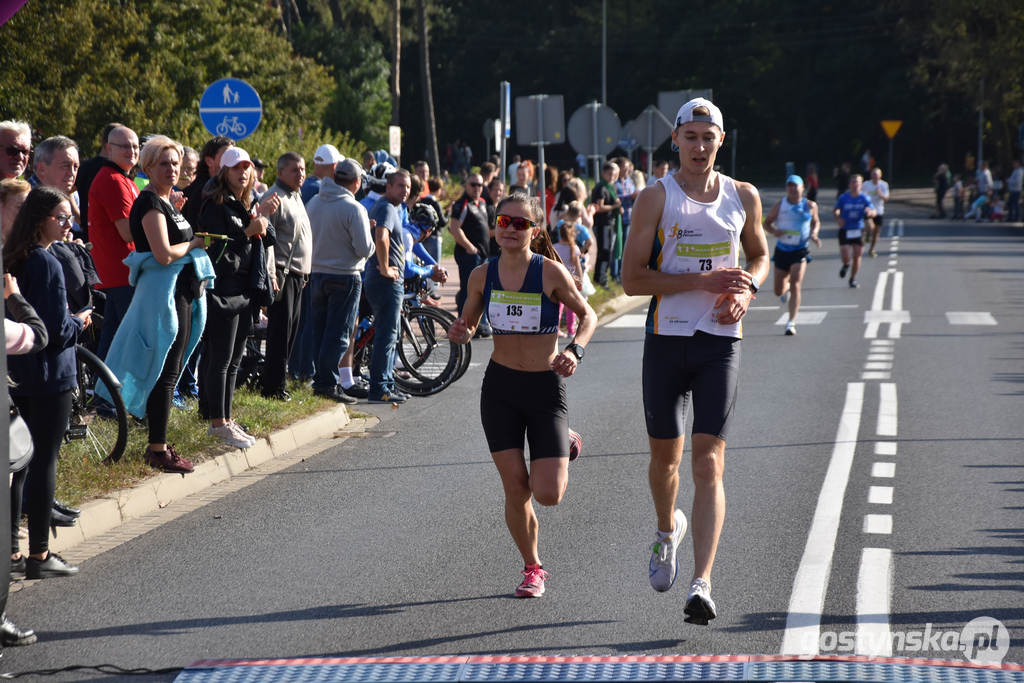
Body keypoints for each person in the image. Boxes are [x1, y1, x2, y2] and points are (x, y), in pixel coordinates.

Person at [621, 97, 769, 625]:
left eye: (709, 138)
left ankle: (702, 583)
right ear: (676, 140)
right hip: (666, 338)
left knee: (708, 461)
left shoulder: (742, 195)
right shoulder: (654, 199)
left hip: (720, 342)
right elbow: (632, 279)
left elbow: (758, 254)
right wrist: (700, 282)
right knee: (665, 461)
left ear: (720, 141)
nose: (700, 147)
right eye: (691, 137)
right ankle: (667, 531)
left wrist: (747, 290)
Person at [447, 192, 595, 598]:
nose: (510, 229)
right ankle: (533, 568)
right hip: (500, 389)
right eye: (503, 222)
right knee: (516, 487)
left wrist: (574, 350)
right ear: (495, 227)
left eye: (519, 223)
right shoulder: (482, 274)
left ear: (535, 230)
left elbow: (588, 315)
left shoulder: (548, 273)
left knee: (548, 494)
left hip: (544, 388)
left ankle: (565, 440)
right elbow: (470, 322)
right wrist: (460, 331)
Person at [99, 135, 212, 473]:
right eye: (163, 163)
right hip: (163, 295)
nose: (171, 169)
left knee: (172, 369)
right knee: (163, 371)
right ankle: (157, 448)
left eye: (175, 163)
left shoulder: (165, 202)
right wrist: (193, 244)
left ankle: (158, 442)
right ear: (147, 167)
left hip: (181, 293)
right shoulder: (149, 202)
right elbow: (162, 255)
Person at [4, 186, 91, 579]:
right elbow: (55, 331)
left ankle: (12, 553)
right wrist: (80, 322)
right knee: (43, 463)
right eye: (61, 217)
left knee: (20, 466)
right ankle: (40, 554)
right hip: (50, 375)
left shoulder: (14, 256)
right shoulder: (47, 262)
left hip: (19, 374)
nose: (67, 223)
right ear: (41, 219)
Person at [197, 147, 278, 448]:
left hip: (245, 292)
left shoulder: (245, 203)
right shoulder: (216, 205)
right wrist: (248, 231)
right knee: (220, 359)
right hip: (225, 291)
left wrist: (261, 219)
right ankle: (217, 423)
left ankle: (227, 419)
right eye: (235, 168)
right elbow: (220, 255)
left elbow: (268, 238)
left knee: (235, 360)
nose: (242, 173)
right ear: (223, 172)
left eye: (246, 167)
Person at [306, 158, 373, 403]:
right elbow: (364, 248)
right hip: (345, 275)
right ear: (356, 183)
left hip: (317, 273)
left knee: (321, 331)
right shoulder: (353, 208)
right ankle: (327, 384)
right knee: (339, 334)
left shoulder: (314, 202)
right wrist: (371, 235)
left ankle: (321, 380)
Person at [260, 152, 312, 401]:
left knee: (290, 331)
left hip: (296, 274)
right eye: (294, 170)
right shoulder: (274, 197)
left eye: (302, 169)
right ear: (280, 173)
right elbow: (267, 242)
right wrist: (272, 275)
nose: (300, 174)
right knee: (280, 333)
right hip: (281, 273)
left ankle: (279, 380)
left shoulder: (295, 195)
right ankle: (272, 387)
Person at [87, 124, 140, 361]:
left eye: (136, 146)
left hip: (121, 271)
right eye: (125, 146)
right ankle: (107, 393)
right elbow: (128, 232)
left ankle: (102, 391)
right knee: (123, 336)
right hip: (121, 272)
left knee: (114, 333)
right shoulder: (113, 180)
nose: (132, 151)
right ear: (109, 149)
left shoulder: (123, 178)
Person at [364, 169, 411, 404]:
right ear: (389, 186)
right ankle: (379, 388)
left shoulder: (391, 208)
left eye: (408, 187)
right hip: (385, 281)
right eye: (401, 186)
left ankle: (387, 384)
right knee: (386, 334)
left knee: (390, 334)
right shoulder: (385, 207)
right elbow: (381, 236)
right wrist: (385, 268)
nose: (405, 191)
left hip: (387, 280)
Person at [764, 175, 821, 336]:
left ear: (803, 188)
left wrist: (814, 233)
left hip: (800, 249)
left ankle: (791, 322)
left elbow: (816, 221)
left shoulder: (810, 205)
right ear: (786, 188)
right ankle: (785, 289)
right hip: (782, 249)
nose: (793, 188)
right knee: (778, 290)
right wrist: (775, 231)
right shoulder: (780, 205)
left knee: (796, 282)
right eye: (789, 185)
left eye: (796, 185)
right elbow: (766, 223)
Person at [449, 173, 493, 336]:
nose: (477, 188)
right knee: (468, 290)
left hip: (483, 254)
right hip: (469, 255)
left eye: (480, 185)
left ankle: (477, 325)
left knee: (479, 291)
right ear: (467, 186)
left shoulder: (482, 202)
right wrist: (469, 247)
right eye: (473, 184)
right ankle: (463, 324)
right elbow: (454, 227)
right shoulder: (462, 204)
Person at [834, 174, 875, 288]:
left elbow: (873, 211)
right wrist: (838, 217)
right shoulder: (843, 198)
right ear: (849, 184)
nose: (855, 184)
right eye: (853, 182)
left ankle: (852, 279)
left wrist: (870, 212)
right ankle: (846, 264)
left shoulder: (864, 198)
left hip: (858, 229)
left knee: (857, 255)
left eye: (857, 182)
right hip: (845, 229)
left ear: (861, 184)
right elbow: (836, 210)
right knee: (845, 254)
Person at [591, 161, 622, 287]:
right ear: (603, 173)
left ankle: (603, 277)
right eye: (609, 174)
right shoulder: (601, 187)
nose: (612, 177)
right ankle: (600, 278)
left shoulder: (612, 186)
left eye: (614, 174)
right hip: (602, 224)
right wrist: (615, 206)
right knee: (604, 251)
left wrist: (618, 209)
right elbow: (599, 207)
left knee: (608, 251)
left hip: (611, 222)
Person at [552, 219, 583, 337]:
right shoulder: (574, 248)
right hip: (571, 281)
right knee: (571, 307)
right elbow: (578, 266)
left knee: (558, 306)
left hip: (558, 279)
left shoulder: (554, 247)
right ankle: (571, 330)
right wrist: (580, 280)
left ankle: (556, 329)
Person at [862, 167, 890, 257]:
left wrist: (880, 193)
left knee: (876, 233)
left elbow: (886, 199)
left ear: (880, 176)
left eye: (877, 175)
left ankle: (871, 249)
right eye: (874, 174)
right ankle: (867, 235)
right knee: (871, 227)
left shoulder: (884, 185)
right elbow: (861, 196)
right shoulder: (866, 184)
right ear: (871, 175)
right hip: (868, 210)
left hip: (879, 211)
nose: (875, 176)